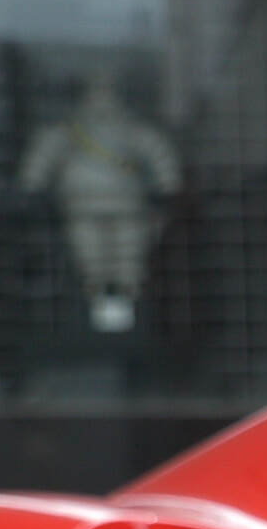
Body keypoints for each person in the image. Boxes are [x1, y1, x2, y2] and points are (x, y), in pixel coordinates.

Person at [17, 72, 182, 335]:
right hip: (87, 206)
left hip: (118, 207)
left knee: (124, 252)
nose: (102, 102)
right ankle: (102, 289)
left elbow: (157, 150)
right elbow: (44, 153)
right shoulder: (72, 129)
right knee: (91, 253)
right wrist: (31, 186)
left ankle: (123, 290)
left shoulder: (128, 129)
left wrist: (168, 186)